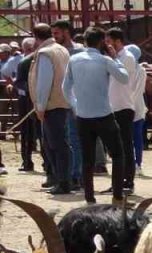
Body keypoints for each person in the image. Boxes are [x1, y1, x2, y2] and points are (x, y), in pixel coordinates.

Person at [64, 26, 129, 205]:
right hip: (104, 114)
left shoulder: (73, 60)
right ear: (102, 42)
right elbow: (124, 78)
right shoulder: (105, 60)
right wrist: (115, 58)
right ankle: (116, 196)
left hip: (83, 115)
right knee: (117, 154)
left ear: (85, 40)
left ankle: (90, 198)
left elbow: (65, 88)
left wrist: (75, 105)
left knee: (87, 159)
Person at [30, 24, 71, 193]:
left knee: (55, 144)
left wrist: (40, 106)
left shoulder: (45, 53)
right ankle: (60, 179)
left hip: (51, 104)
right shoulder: (61, 49)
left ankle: (63, 181)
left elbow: (44, 82)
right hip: (62, 101)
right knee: (55, 143)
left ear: (35, 36)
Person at [104, 28, 137, 193]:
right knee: (116, 147)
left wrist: (113, 58)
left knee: (125, 146)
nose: (108, 45)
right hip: (113, 106)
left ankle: (128, 180)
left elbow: (122, 77)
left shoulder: (127, 57)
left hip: (124, 106)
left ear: (117, 41)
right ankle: (118, 180)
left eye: (110, 42)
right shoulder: (114, 58)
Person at [52, 19, 83, 189]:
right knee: (67, 140)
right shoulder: (57, 52)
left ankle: (76, 175)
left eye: (57, 33)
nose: (54, 37)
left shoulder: (78, 51)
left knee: (75, 139)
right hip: (61, 101)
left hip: (75, 101)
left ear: (65, 32)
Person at [15, 37, 40, 172]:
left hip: (37, 100)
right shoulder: (23, 63)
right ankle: (27, 161)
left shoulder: (40, 60)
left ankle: (46, 164)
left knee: (40, 133)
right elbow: (19, 82)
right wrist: (31, 88)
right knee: (26, 132)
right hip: (26, 101)